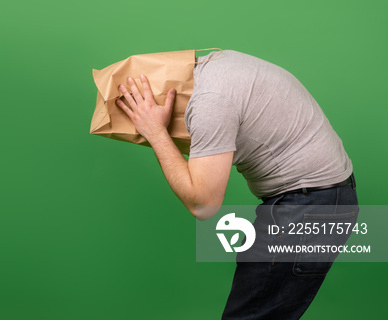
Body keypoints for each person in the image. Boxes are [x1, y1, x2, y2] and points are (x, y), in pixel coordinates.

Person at [114, 49, 357, 319]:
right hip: (320, 200)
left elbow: (203, 205)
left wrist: (156, 132)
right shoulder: (218, 63)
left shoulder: (210, 103)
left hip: (307, 207)